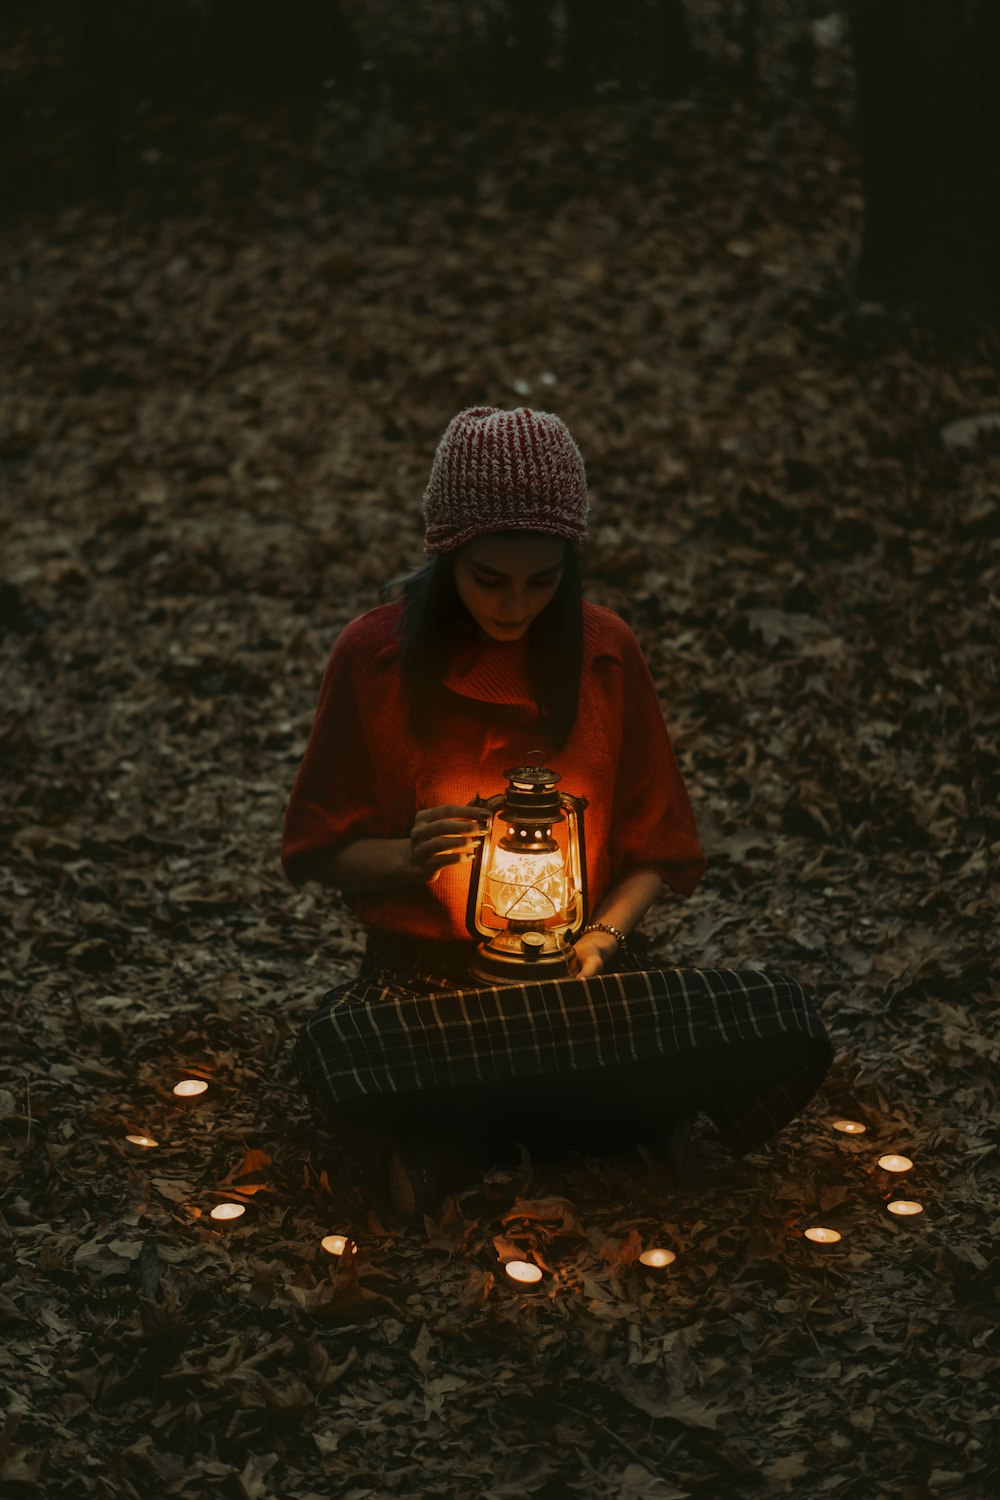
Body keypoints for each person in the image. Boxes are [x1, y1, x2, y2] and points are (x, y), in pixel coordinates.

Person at [282, 407, 832, 1212]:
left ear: (569, 568)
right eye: (488, 580)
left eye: (542, 582)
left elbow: (656, 849)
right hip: (425, 984)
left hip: (579, 974)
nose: (514, 607)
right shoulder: (374, 656)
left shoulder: (606, 651)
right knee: (342, 1047)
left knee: (777, 1013)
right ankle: (615, 1121)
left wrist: (605, 936)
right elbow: (316, 849)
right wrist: (405, 857)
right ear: (445, 556)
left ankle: (465, 1133)